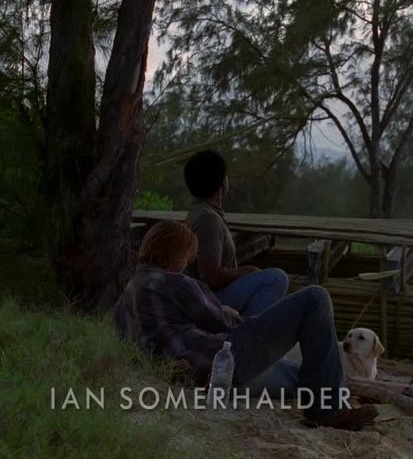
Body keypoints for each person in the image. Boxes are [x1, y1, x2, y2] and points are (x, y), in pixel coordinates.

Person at [114, 220, 377, 430]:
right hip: (224, 363)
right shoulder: (174, 282)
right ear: (175, 253)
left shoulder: (125, 298)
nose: (186, 264)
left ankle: (332, 394)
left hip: (199, 377)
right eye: (186, 257)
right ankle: (328, 410)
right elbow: (223, 324)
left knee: (306, 375)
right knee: (315, 298)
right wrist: (231, 314)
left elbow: (140, 344)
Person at [183, 150, 288, 318]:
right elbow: (210, 276)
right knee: (277, 278)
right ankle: (246, 330)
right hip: (210, 300)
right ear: (221, 182)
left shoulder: (200, 212)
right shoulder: (207, 219)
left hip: (206, 297)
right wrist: (246, 271)